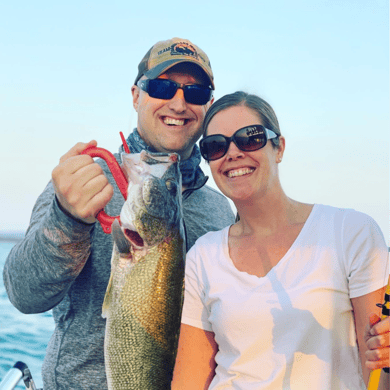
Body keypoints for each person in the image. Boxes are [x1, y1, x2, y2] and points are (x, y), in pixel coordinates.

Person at [3, 38, 235, 389]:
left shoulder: (220, 209)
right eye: (162, 86)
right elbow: (24, 294)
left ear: (209, 105)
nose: (179, 102)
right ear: (136, 95)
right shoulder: (83, 181)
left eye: (196, 92)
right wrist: (67, 220)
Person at [172, 91, 389, 389]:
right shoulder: (204, 254)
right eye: (215, 146)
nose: (233, 153)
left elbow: (379, 371)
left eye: (250, 138)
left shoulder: (351, 232)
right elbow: (188, 381)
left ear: (279, 148)